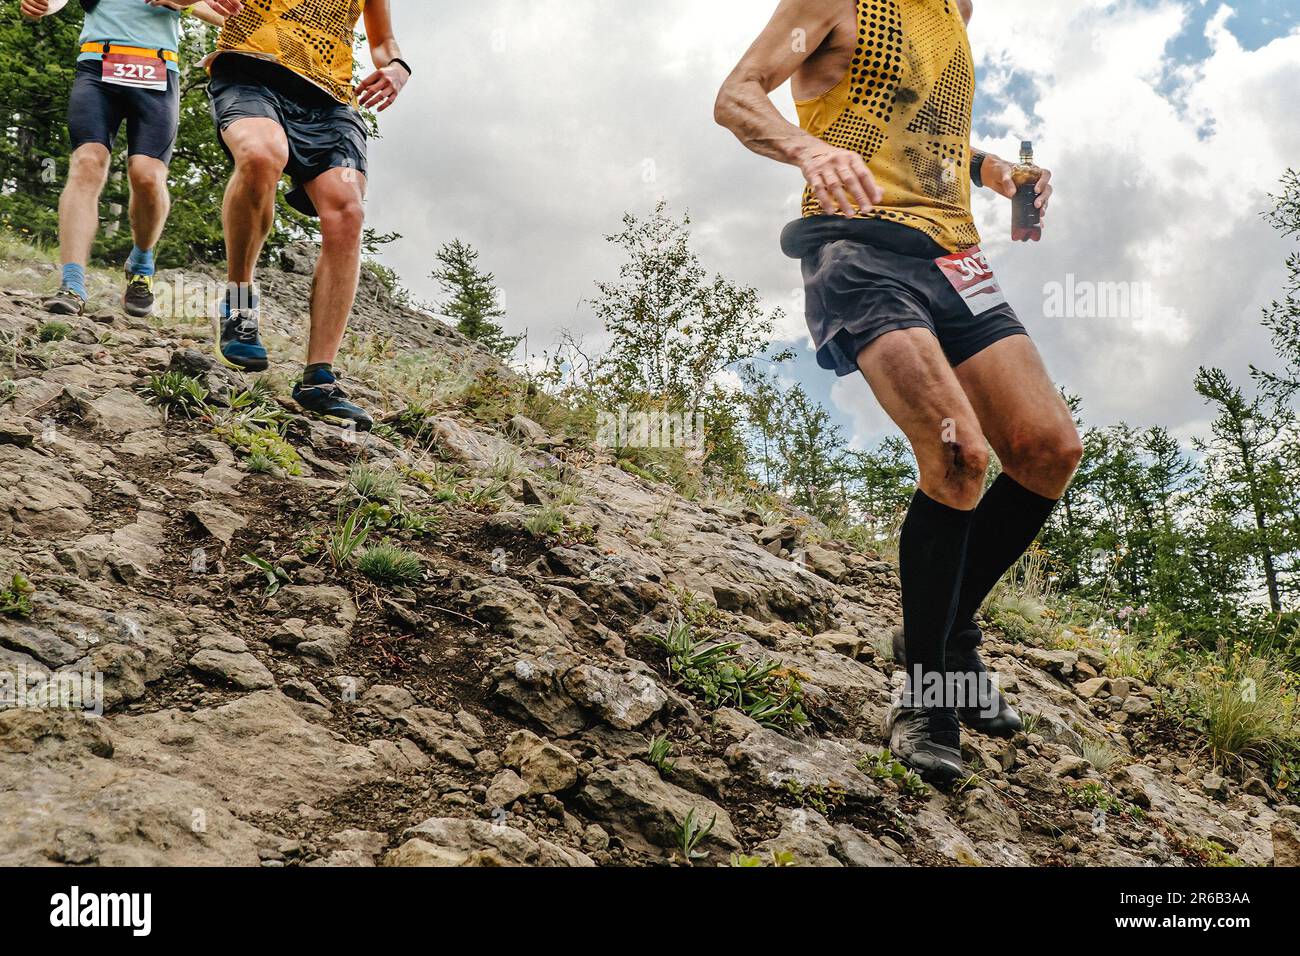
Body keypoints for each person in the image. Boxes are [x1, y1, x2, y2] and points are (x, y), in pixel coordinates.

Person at [715, 0, 1083, 783]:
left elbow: (926, 131)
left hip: (958, 260)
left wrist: (993, 171)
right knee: (958, 458)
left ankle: (947, 633)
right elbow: (739, 95)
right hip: (856, 248)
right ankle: (928, 693)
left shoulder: (955, 10)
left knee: (1049, 449)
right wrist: (808, 149)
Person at [166, 0, 410, 431]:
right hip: (249, 73)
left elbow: (382, 40)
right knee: (261, 155)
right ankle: (239, 306)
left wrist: (396, 68)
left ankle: (319, 379)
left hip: (329, 98)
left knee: (348, 211)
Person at [23, 0, 225, 318]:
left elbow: (223, 11)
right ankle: (72, 284)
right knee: (87, 163)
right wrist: (43, 5)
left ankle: (141, 262)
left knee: (147, 176)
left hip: (157, 71)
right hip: (97, 65)